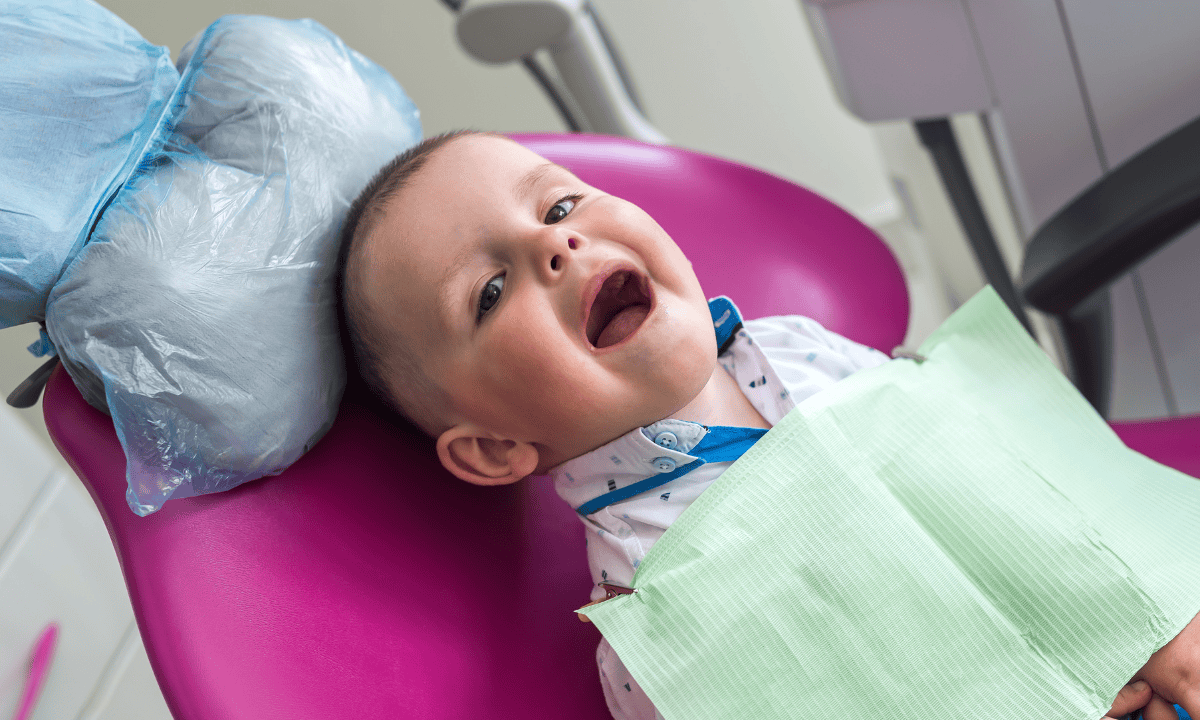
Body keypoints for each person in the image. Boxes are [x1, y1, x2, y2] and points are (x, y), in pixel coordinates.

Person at [336, 130, 1199, 720]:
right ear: (493, 444)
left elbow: (1013, 470)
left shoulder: (804, 350)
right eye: (488, 294)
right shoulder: (658, 624)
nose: (554, 247)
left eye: (559, 208)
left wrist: (1159, 617)